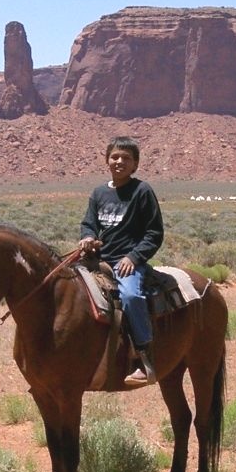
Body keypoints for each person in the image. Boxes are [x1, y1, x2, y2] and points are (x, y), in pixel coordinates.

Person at [79, 136, 164, 386]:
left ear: (135, 164)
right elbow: (89, 223)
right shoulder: (99, 193)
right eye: (115, 156)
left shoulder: (142, 191)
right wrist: (87, 238)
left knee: (130, 297)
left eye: (126, 158)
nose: (119, 161)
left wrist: (134, 257)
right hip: (98, 259)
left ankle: (144, 358)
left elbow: (154, 233)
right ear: (107, 160)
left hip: (127, 262)